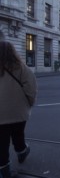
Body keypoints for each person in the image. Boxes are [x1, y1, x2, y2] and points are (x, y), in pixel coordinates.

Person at [0, 41, 37, 178]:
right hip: (18, 111)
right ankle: (21, 152)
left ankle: (4, 170)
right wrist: (29, 103)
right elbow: (31, 88)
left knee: (1, 143)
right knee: (18, 134)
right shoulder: (21, 67)